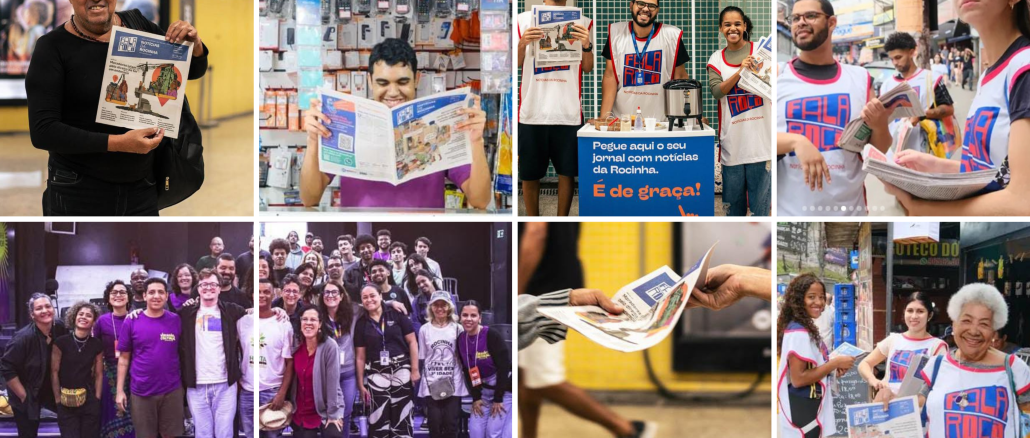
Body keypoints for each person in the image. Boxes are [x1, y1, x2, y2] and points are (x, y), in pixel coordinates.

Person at [27, 3, 208, 216]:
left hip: (142, 187)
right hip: (77, 190)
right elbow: (43, 131)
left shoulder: (138, 25)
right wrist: (119, 144)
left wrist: (194, 46)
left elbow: (191, 71)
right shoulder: (52, 47)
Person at [878, 0, 1030, 216]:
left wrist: (925, 210)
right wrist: (934, 165)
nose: (895, 62)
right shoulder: (988, 76)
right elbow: (994, 173)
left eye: (899, 56)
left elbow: (1023, 201)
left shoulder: (1024, 68)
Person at [300, 38, 490, 209]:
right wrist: (312, 141)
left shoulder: (438, 123)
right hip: (362, 234)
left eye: (402, 82)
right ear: (370, 81)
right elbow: (309, 199)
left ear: (417, 79)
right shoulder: (345, 122)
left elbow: (480, 200)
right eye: (382, 83)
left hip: (424, 237)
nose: (392, 92)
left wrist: (476, 141)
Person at [518, 222, 653, 438]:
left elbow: (536, 231)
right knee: (525, 379)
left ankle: (626, 430)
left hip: (541, 294)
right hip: (554, 286)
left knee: (545, 380)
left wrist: (516, 291)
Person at [776, 0, 889, 216]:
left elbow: (878, 150)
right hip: (789, 213)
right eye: (796, 18)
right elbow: (759, 140)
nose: (801, 23)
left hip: (850, 213)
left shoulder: (860, 79)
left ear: (831, 22)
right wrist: (796, 141)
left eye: (810, 16)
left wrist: (880, 124)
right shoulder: (777, 76)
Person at [880, 284, 1030, 437]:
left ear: (994, 330)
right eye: (966, 320)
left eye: (984, 324)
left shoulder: (1013, 368)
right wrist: (891, 401)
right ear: (953, 324)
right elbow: (917, 406)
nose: (973, 331)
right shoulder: (936, 366)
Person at [516, 0, 594, 216]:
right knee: (530, 175)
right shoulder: (523, 19)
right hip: (532, 112)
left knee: (567, 174)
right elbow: (515, 63)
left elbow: (588, 67)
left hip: (567, 112)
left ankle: (562, 221)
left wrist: (587, 44)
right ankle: (532, 221)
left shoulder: (584, 23)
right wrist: (522, 44)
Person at [706, 6, 771, 216]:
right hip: (732, 146)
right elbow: (717, 91)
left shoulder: (761, 53)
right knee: (734, 213)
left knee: (762, 211)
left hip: (761, 146)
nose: (732, 28)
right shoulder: (716, 58)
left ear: (744, 26)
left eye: (737, 24)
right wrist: (740, 72)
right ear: (721, 29)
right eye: (727, 25)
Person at [776, 274, 855, 438]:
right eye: (811, 297)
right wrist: (833, 364)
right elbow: (799, 379)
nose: (818, 302)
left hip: (809, 403)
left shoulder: (803, 326)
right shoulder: (798, 331)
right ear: (799, 300)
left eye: (821, 297)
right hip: (804, 404)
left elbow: (811, 368)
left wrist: (831, 369)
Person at [177, 269, 248, 438]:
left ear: (219, 288)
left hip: (225, 385)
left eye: (212, 284)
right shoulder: (185, 314)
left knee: (224, 434)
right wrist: (135, 313)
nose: (208, 288)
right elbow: (162, 317)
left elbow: (255, 312)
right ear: (198, 288)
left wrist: (279, 311)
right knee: (202, 434)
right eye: (204, 284)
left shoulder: (232, 311)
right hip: (197, 386)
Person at [115, 278, 185, 438]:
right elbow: (124, 359)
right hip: (141, 392)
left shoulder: (175, 320)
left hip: (172, 391)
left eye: (161, 292)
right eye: (152, 292)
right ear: (144, 296)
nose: (156, 296)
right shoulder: (132, 321)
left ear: (167, 296)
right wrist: (119, 391)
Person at [599, 0, 689, 120]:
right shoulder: (616, 34)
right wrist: (604, 117)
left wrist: (690, 115)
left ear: (657, 10)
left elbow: (681, 78)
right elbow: (610, 77)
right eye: (641, 3)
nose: (646, 9)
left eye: (651, 6)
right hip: (622, 120)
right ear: (632, 5)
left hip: (660, 122)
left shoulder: (671, 36)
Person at [857, 291, 947, 403]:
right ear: (904, 313)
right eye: (910, 311)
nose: (914, 316)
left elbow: (941, 385)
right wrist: (874, 381)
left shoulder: (937, 346)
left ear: (930, 315)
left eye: (920, 311)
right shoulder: (893, 340)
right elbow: (864, 364)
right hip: (887, 409)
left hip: (918, 413)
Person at [355, 284, 419, 438]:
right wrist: (360, 384)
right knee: (378, 417)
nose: (369, 299)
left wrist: (415, 369)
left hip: (401, 369)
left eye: (372, 295)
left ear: (380, 296)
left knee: (402, 414)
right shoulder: (361, 322)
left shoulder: (397, 314)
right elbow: (360, 357)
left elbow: (412, 342)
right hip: (376, 373)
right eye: (365, 297)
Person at [0, 293, 68, 437]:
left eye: (48, 306)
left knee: (68, 420)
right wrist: (23, 395)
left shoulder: (60, 328)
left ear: (53, 309)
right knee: (28, 432)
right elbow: (6, 367)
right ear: (32, 315)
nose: (44, 311)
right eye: (39, 308)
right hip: (26, 389)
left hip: (49, 386)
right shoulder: (23, 338)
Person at [879, 32, 955, 151]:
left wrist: (921, 114)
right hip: (893, 153)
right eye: (892, 59)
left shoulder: (932, 79)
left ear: (911, 52)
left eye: (898, 57)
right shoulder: (887, 84)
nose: (895, 63)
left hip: (922, 151)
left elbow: (949, 109)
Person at [242, 279, 294, 438]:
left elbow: (289, 362)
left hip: (272, 392)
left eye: (266, 292)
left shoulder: (283, 324)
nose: (262, 295)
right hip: (247, 392)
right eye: (258, 292)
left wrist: (282, 393)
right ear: (252, 295)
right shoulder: (242, 321)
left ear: (274, 295)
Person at [458, 300, 512, 438]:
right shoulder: (460, 339)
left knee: (492, 433)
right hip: (482, 393)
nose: (468, 319)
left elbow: (504, 368)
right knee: (475, 433)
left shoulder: (492, 335)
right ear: (460, 317)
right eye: (465, 315)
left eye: (473, 315)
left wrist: (498, 399)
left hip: (503, 390)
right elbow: (467, 370)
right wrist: (476, 397)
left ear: (480, 318)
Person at [417, 291, 468, 438]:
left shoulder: (458, 328)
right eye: (436, 305)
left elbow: (462, 356)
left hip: (454, 381)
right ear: (431, 307)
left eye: (443, 305)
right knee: (434, 426)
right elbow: (423, 357)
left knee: (451, 426)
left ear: (449, 307)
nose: (440, 308)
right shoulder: (424, 329)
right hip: (431, 382)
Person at [51, 301, 104, 438]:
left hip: (89, 402)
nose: (84, 317)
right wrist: (58, 401)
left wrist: (97, 400)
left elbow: (99, 374)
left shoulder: (97, 344)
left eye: (88, 315)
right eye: (81, 314)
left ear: (93, 321)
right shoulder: (60, 342)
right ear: (74, 317)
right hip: (66, 402)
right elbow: (54, 372)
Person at [291, 307, 345, 438]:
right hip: (301, 411)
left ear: (320, 323)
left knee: (334, 434)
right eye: (305, 319)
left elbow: (333, 384)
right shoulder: (296, 344)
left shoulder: (329, 346)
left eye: (313, 319)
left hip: (324, 409)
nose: (308, 323)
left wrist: (332, 415)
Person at [94, 281, 137, 438]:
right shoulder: (101, 321)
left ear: (128, 297)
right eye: (114, 292)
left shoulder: (136, 317)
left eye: (122, 292)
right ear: (108, 298)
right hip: (109, 373)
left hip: (134, 372)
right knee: (111, 413)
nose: (118, 295)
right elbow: (95, 351)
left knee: (134, 415)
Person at [318, 281, 360, 438]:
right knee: (327, 414)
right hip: (327, 374)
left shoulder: (354, 312)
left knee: (346, 413)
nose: (330, 296)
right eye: (327, 293)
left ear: (342, 296)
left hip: (347, 373)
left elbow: (373, 303)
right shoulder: (319, 316)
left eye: (334, 292)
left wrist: (390, 301)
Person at [410, 269, 458, 334]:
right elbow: (415, 322)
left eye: (423, 281)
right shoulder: (416, 301)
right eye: (418, 284)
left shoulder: (447, 296)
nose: (421, 285)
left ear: (431, 279)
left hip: (448, 333)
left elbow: (454, 316)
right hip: (427, 335)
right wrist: (423, 336)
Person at [344, 234, 378, 300]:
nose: (366, 250)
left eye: (368, 247)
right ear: (359, 252)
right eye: (362, 248)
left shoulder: (383, 267)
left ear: (374, 249)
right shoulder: (349, 271)